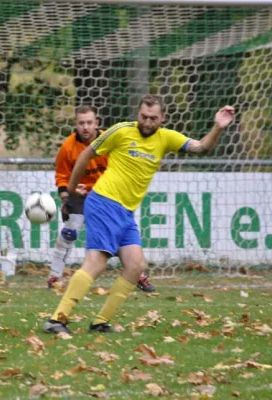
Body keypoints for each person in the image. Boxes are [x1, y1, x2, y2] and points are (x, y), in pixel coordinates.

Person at [43, 95, 235, 334]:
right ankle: (57, 320)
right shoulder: (121, 131)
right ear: (138, 114)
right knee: (96, 263)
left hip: (125, 212)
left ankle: (100, 322)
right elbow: (85, 155)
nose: (147, 122)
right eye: (143, 117)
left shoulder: (166, 138)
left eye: (153, 118)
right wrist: (70, 191)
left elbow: (202, 147)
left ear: (162, 118)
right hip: (104, 202)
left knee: (135, 266)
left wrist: (218, 127)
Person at [49, 105, 155, 292]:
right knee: (69, 231)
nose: (86, 127)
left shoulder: (109, 139)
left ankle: (138, 274)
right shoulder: (67, 147)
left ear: (96, 123)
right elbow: (62, 176)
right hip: (80, 195)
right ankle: (54, 276)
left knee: (121, 235)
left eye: (90, 122)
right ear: (75, 124)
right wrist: (66, 198)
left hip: (108, 197)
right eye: (81, 123)